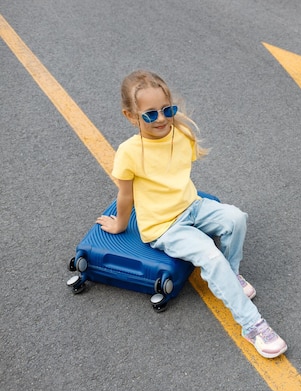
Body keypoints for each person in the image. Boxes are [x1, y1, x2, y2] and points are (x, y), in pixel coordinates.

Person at [96, 70, 287, 359]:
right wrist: (121, 224)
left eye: (167, 110)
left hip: (192, 206)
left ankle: (231, 275)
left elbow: (175, 175)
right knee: (209, 255)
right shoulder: (129, 152)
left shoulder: (181, 134)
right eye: (149, 115)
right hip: (164, 226)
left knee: (236, 218)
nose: (160, 119)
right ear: (130, 116)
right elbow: (126, 194)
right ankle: (252, 325)